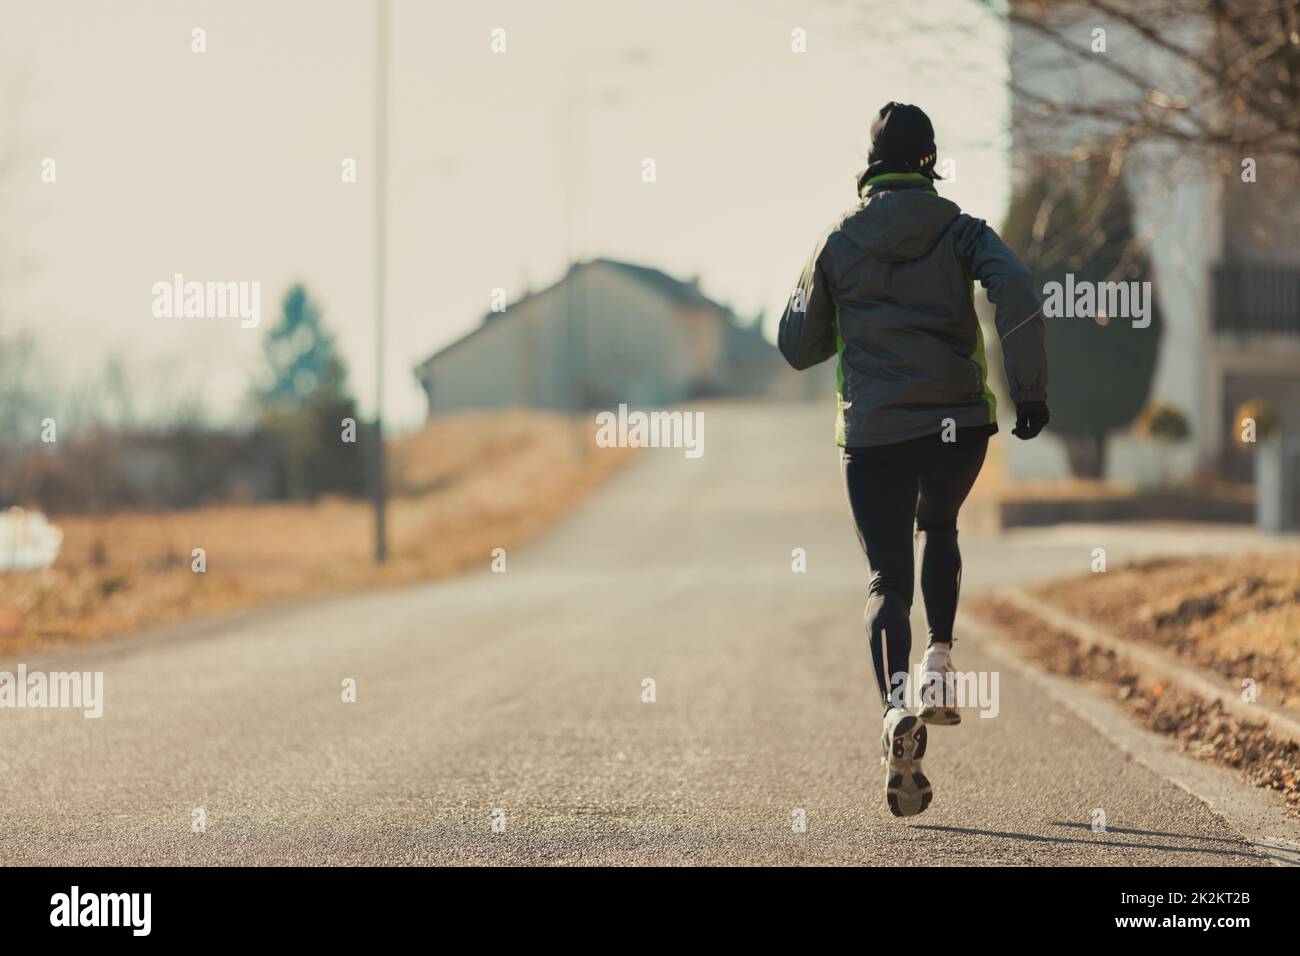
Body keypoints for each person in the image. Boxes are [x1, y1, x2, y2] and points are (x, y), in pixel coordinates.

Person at [777, 102, 1049, 818]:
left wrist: (843, 298)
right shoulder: (961, 229)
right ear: (929, 161)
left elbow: (798, 345)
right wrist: (1029, 392)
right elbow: (1017, 286)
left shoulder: (839, 238)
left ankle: (897, 705)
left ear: (870, 165)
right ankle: (940, 662)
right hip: (957, 425)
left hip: (873, 436)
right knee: (945, 526)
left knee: (885, 577)